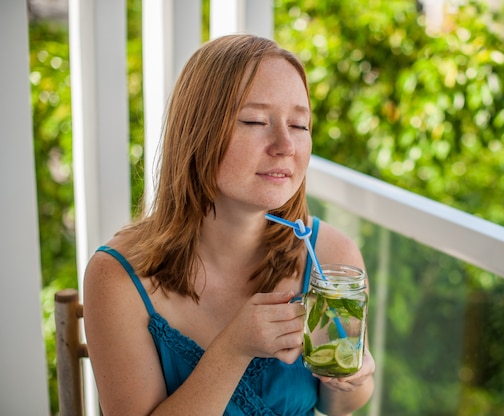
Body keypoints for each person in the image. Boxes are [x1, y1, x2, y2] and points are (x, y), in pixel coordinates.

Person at [83, 34, 375, 415]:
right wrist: (234, 348)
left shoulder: (332, 255)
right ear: (198, 133)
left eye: (300, 125)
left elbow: (337, 406)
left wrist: (353, 376)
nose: (285, 145)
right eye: (255, 120)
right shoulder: (115, 278)